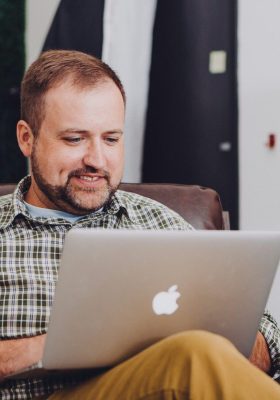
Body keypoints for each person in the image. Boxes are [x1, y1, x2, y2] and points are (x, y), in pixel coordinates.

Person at [0, 49, 279, 400]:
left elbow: (268, 336)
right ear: (27, 138)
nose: (97, 159)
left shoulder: (157, 221)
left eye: (111, 139)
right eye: (74, 139)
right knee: (191, 357)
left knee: (196, 352)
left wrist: (215, 335)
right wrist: (44, 349)